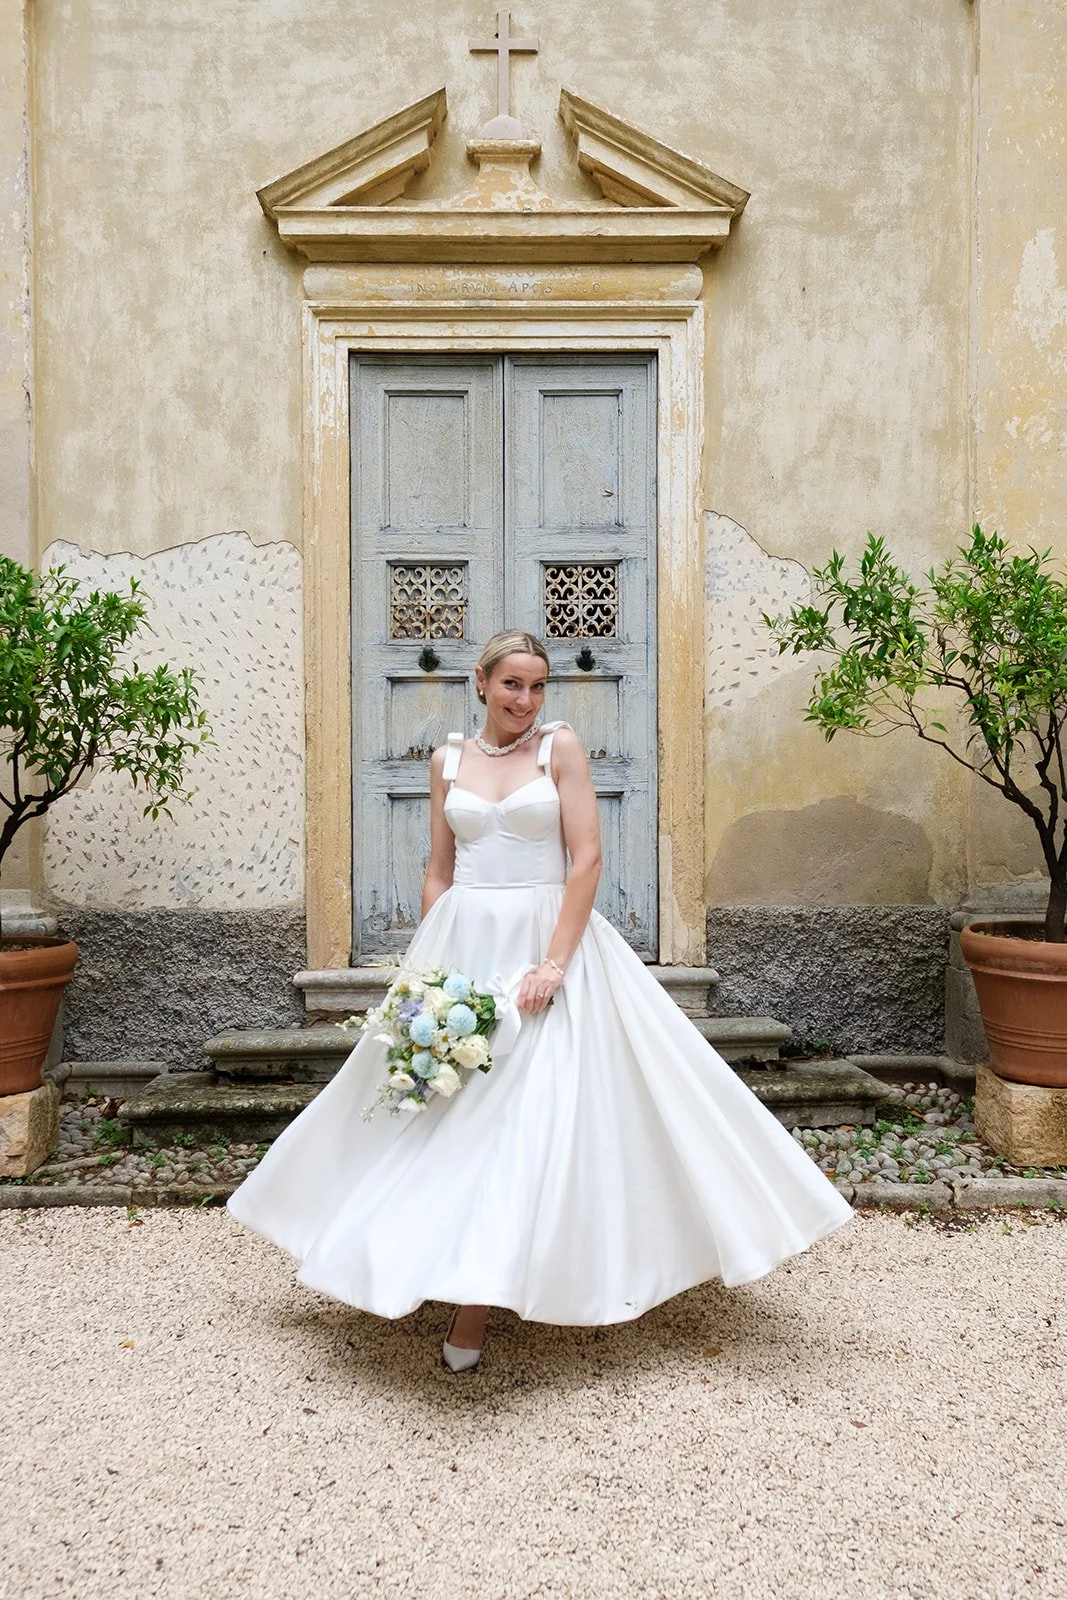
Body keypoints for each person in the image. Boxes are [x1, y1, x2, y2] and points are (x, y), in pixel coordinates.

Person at [228, 630, 852, 1371]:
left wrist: (554, 963)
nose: (525, 700)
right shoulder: (446, 761)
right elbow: (439, 866)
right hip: (464, 941)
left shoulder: (560, 749)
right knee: (439, 1108)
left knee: (524, 1112)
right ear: (480, 683)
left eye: (537, 686)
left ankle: (477, 1303)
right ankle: (407, 1256)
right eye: (512, 685)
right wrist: (429, 967)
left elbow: (586, 858)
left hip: (547, 939)